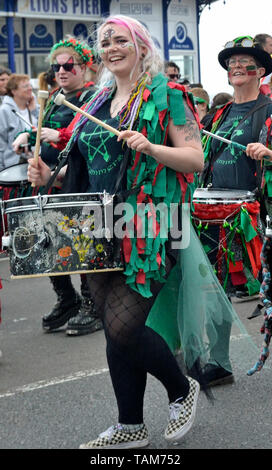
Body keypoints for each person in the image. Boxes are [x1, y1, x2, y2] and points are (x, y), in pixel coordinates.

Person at [27, 14, 204, 449]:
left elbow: (196, 159)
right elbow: (86, 169)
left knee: (124, 327)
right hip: (97, 227)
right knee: (111, 327)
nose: (111, 47)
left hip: (151, 225)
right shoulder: (94, 101)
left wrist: (151, 147)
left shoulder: (169, 95)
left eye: (121, 39)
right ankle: (130, 425)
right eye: (105, 41)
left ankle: (182, 389)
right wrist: (49, 172)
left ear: (141, 45)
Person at [12, 37, 102, 337]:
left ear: (84, 67)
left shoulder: (93, 97)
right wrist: (27, 136)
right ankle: (68, 299)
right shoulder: (51, 97)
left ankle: (92, 303)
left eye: (68, 65)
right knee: (47, 243)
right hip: (47, 182)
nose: (62, 71)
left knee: (81, 245)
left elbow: (88, 139)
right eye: (57, 66)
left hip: (78, 180)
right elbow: (40, 129)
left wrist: (59, 145)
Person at [197, 36, 272, 387]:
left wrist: (269, 153)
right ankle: (219, 361)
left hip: (258, 215)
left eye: (246, 63)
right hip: (218, 213)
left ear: (260, 71)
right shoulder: (219, 114)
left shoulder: (270, 110)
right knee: (216, 286)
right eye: (233, 64)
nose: (238, 68)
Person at [0, 74, 39, 171]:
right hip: (13, 166)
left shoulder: (34, 107)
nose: (30, 88)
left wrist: (34, 110)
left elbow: (43, 128)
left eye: (30, 85)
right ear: (14, 91)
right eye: (25, 86)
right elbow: (1, 142)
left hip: (36, 162)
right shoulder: (4, 111)